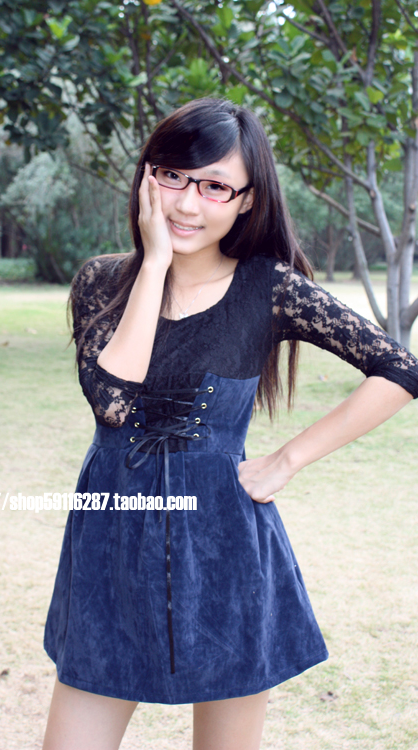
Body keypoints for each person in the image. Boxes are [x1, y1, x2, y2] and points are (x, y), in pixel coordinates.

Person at [42, 98, 418, 750]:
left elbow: (399, 369)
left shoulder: (269, 289)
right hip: (112, 542)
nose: (188, 204)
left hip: (224, 546)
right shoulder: (101, 282)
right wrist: (154, 265)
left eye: (215, 187)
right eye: (173, 176)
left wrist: (287, 460)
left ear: (247, 201)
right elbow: (113, 404)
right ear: (147, 176)